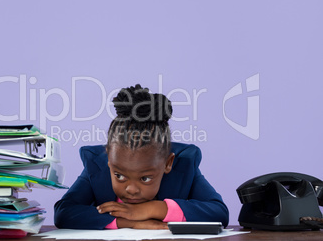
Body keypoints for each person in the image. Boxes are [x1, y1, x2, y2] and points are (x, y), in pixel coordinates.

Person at [54, 84, 229, 230]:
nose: (131, 189)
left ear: (168, 163)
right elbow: (64, 213)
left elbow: (219, 213)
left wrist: (154, 209)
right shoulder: (96, 165)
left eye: (145, 178)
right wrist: (128, 222)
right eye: (119, 176)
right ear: (108, 159)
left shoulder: (183, 165)